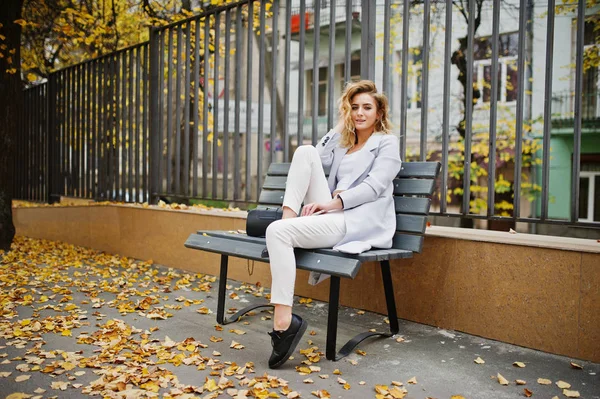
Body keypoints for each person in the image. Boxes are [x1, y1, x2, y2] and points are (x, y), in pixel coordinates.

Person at [264, 80, 402, 369]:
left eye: (367, 107)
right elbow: (316, 153)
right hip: (334, 213)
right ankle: (288, 223)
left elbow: (375, 187)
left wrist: (334, 203)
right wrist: (342, 123)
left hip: (356, 220)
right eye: (354, 108)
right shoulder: (345, 144)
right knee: (304, 151)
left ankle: (283, 322)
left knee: (275, 232)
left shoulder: (387, 142)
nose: (360, 113)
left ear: (379, 113)